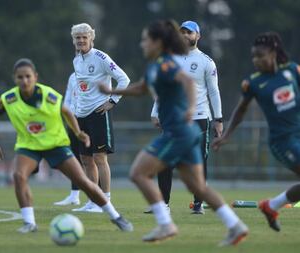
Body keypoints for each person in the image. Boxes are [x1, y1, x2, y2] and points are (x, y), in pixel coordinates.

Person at [100, 19, 248, 246]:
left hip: (178, 132)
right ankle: (235, 225)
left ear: (158, 42)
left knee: (138, 173)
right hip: (185, 132)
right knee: (197, 186)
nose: (142, 44)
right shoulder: (160, 64)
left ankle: (165, 223)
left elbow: (188, 84)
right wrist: (112, 90)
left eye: (145, 40)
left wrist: (190, 109)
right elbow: (141, 88)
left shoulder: (167, 64)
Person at [0, 58, 133, 233]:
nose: (24, 81)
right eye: (20, 77)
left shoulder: (49, 95)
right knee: (18, 176)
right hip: (29, 145)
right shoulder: (8, 99)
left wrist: (78, 133)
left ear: (35, 77)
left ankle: (116, 216)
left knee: (83, 182)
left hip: (55, 144)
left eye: (28, 76)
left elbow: (66, 111)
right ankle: (29, 223)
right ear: (14, 79)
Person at [213, 32, 300, 232]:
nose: (256, 60)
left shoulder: (293, 70)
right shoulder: (253, 82)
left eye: (260, 56)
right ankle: (271, 206)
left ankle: (271, 206)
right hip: (282, 142)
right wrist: (226, 135)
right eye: (254, 56)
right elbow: (241, 110)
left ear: (274, 53)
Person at [146, 20, 223, 214]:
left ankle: (198, 203)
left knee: (198, 161)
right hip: (173, 117)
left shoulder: (206, 61)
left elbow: (214, 92)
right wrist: (155, 112)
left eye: (189, 32)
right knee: (164, 159)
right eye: (182, 32)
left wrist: (218, 119)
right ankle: (163, 204)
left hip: (199, 117)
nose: (185, 36)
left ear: (198, 36)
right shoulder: (170, 59)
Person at [70, 23, 130, 213]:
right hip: (81, 115)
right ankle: (93, 201)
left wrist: (113, 100)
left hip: (99, 113)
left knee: (99, 158)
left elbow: (124, 79)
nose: (80, 40)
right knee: (85, 159)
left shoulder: (101, 57)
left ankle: (106, 201)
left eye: (84, 37)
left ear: (91, 38)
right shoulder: (76, 59)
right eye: (77, 37)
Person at [54, 73, 81, 206]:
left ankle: (98, 197)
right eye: (76, 51)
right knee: (74, 158)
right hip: (73, 121)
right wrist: (69, 116)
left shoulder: (95, 72)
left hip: (89, 117)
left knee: (91, 159)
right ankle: (74, 195)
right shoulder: (72, 76)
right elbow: (67, 100)